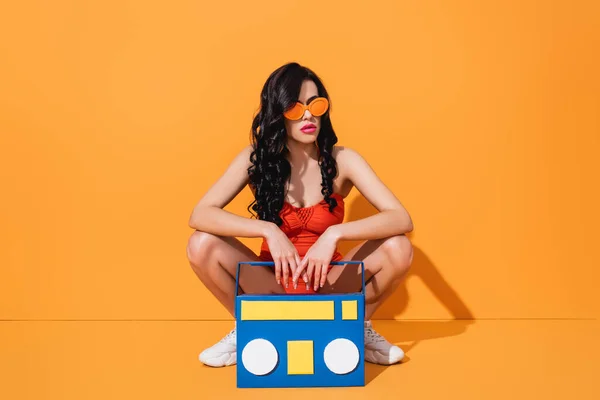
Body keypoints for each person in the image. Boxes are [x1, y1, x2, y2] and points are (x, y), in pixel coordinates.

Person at [186, 62, 414, 368]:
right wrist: (270, 231)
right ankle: (248, 328)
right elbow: (201, 214)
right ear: (277, 112)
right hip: (272, 283)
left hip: (330, 282)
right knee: (201, 244)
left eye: (315, 104)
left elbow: (401, 218)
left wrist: (334, 234)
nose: (309, 115)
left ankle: (357, 327)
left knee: (399, 247)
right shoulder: (256, 160)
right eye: (295, 107)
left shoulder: (342, 160)